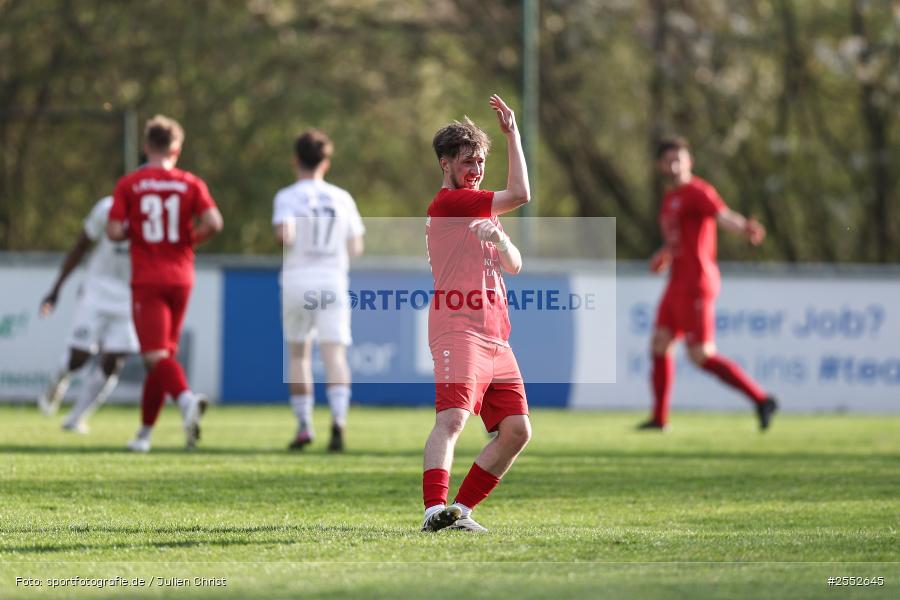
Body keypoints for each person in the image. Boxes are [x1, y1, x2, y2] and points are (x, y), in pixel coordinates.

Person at [421, 95, 531, 533]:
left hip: (496, 335)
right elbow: (522, 194)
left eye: (481, 162)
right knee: (452, 419)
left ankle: (459, 512)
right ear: (444, 164)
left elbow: (514, 265)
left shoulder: (478, 207)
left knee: (517, 431)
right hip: (459, 328)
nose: (476, 170)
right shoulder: (452, 203)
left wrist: (503, 243)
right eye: (467, 161)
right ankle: (434, 510)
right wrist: (513, 135)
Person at [640, 137, 778, 431]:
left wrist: (744, 228)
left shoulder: (698, 191)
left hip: (697, 282)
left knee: (701, 355)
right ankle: (659, 419)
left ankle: (761, 399)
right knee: (660, 343)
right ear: (661, 166)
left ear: (690, 161)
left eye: (680, 158)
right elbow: (677, 237)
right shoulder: (669, 198)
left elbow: (722, 214)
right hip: (676, 282)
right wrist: (663, 255)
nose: (675, 165)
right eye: (669, 160)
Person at [107, 114, 224, 452]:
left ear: (146, 147)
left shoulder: (129, 184)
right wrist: (191, 239)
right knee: (160, 357)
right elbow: (214, 222)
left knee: (155, 355)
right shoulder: (190, 182)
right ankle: (144, 435)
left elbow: (114, 231)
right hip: (182, 276)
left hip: (148, 277)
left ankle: (186, 400)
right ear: (177, 148)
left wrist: (135, 230)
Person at [272, 129, 365, 452]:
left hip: (297, 280)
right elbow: (355, 246)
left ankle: (304, 425)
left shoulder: (287, 196)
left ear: (295, 159)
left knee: (299, 354)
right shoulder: (342, 197)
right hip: (331, 280)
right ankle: (338, 422)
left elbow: (285, 236)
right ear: (326, 161)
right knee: (335, 355)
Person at [36, 196, 139, 433]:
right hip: (97, 291)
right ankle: (58, 380)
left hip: (129, 296)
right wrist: (56, 290)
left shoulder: (158, 216)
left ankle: (76, 418)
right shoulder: (107, 208)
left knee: (115, 359)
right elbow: (80, 247)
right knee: (79, 356)